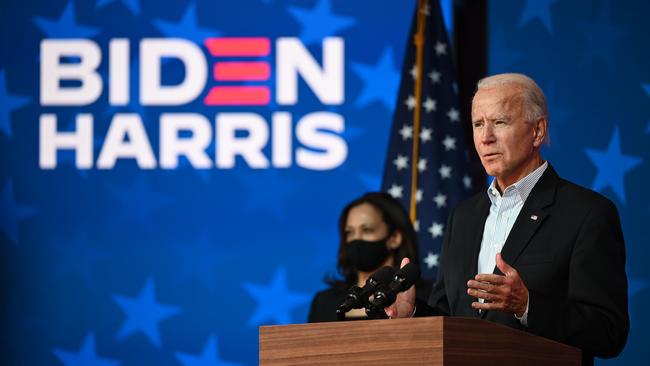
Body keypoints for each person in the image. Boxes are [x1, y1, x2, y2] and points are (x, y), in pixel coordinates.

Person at [386, 73, 629, 365]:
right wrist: (412, 314)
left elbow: (608, 331)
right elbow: (450, 320)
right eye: (478, 124)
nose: (486, 137)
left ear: (538, 131)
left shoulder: (586, 213)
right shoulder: (462, 217)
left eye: (500, 122)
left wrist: (527, 306)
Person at [308, 192, 430, 322]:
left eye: (367, 230)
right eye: (349, 232)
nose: (356, 239)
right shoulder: (324, 302)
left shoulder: (425, 296)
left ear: (394, 238)